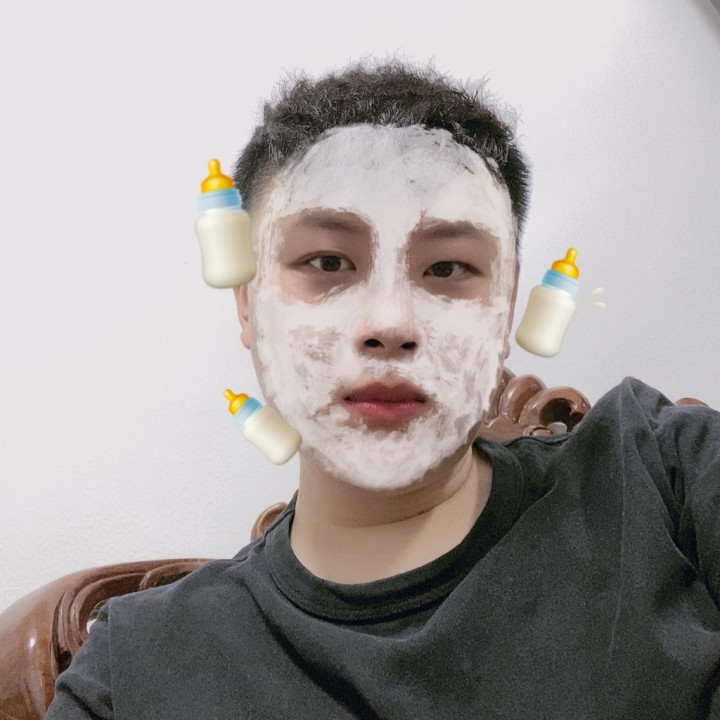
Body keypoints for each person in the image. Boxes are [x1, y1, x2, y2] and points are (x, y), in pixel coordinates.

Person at [46, 61, 720, 719]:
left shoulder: (665, 474)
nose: (390, 324)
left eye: (447, 268)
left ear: (506, 307)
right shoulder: (135, 671)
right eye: (327, 262)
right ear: (247, 304)